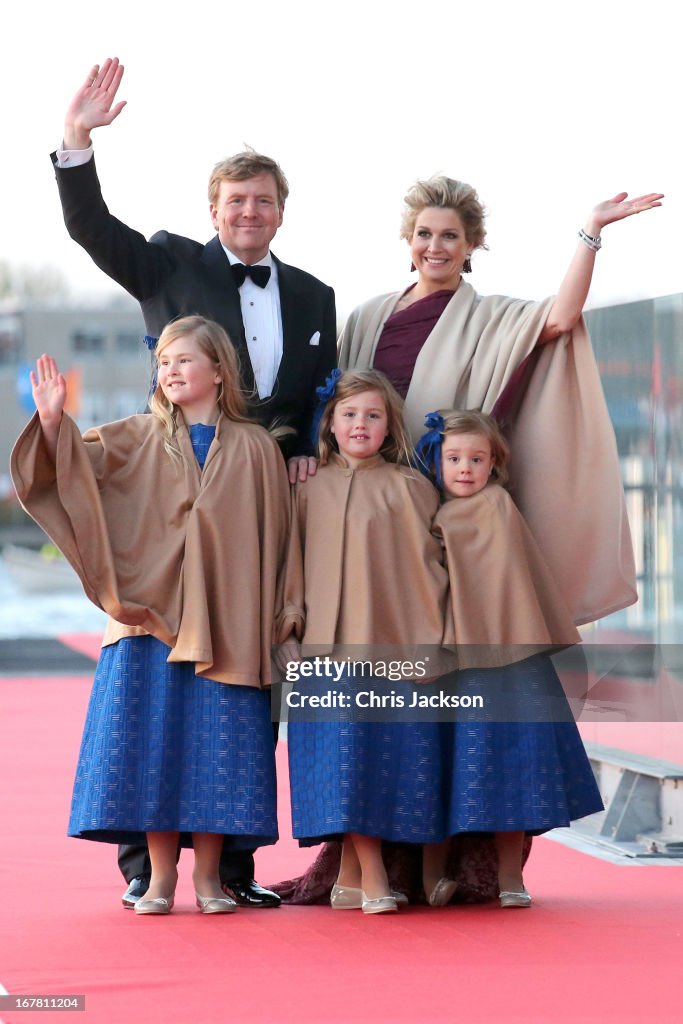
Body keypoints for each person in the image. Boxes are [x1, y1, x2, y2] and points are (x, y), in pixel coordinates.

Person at [52, 57, 337, 907]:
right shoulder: (169, 262)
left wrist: (301, 449)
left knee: (241, 677)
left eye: (263, 201)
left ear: (280, 212)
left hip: (263, 498)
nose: (249, 213)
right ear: (215, 211)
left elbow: (316, 396)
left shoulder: (318, 295)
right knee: (159, 683)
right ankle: (149, 868)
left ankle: (230, 870)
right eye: (235, 201)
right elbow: (92, 228)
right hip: (175, 489)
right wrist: (76, 142)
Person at [11, 316, 290, 915]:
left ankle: (211, 878)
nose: (170, 371)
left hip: (229, 625)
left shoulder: (257, 447)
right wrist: (55, 422)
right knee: (153, 750)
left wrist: (279, 615)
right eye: (163, 362)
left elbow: (279, 540)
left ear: (219, 371)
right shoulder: (135, 436)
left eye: (184, 360)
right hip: (148, 626)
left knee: (222, 751)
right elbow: (71, 476)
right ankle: (160, 877)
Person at [338, 174, 663, 627]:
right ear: (408, 240)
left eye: (450, 236)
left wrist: (591, 233)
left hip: (443, 506)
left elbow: (562, 317)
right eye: (425, 234)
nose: (436, 246)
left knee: (439, 643)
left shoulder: (490, 316)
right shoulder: (366, 316)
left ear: (471, 245)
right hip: (366, 506)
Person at [416, 410, 604, 907]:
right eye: (454, 458)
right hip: (453, 660)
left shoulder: (498, 505)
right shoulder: (427, 511)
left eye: (477, 459)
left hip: (512, 659)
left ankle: (509, 876)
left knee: (516, 762)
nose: (465, 469)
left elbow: (512, 583)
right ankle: (432, 873)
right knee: (446, 761)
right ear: (435, 460)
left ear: (494, 464)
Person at [278, 370, 450, 912]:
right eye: (349, 414)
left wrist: (435, 645)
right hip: (323, 652)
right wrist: (288, 630)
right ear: (329, 423)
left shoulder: (411, 488)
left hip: (392, 650)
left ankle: (352, 874)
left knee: (381, 763)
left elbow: (432, 574)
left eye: (373, 415)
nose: (360, 425)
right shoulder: (305, 486)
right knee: (338, 764)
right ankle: (372, 873)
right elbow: (290, 563)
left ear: (389, 426)